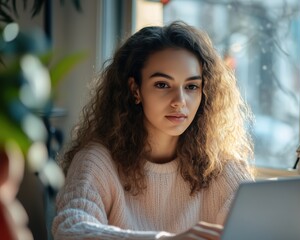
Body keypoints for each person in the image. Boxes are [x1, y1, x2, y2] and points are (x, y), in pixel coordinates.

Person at [52, 21, 254, 240]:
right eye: (162, 85)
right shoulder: (98, 162)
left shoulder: (219, 165)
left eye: (191, 86)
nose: (180, 101)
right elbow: (69, 230)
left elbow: (259, 229)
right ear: (135, 89)